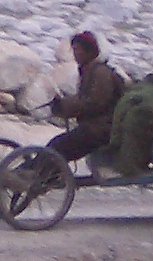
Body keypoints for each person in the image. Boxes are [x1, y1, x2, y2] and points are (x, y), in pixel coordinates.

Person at [47, 32, 125, 167]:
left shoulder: (100, 73)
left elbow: (95, 103)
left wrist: (67, 105)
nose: (75, 54)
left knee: (58, 146)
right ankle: (36, 172)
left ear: (90, 52)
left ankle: (34, 174)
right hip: (96, 127)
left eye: (78, 50)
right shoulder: (90, 70)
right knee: (57, 145)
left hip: (103, 130)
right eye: (74, 50)